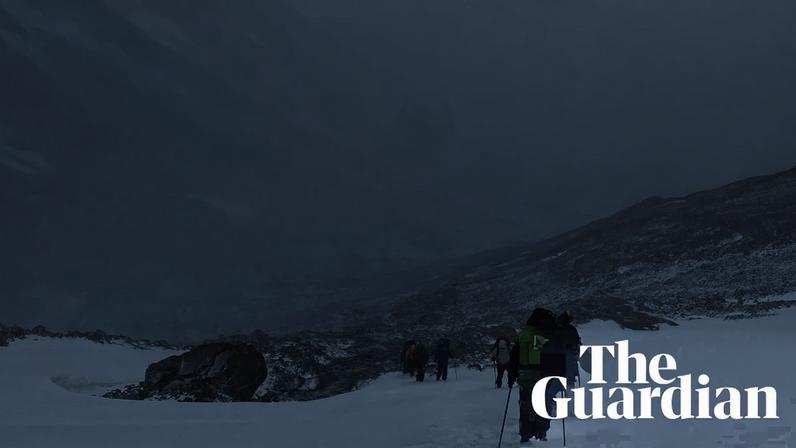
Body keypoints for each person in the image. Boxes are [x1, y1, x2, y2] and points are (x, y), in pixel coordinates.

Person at [508, 307, 556, 444]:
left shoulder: (523, 335)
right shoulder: (542, 336)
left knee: (525, 404)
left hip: (524, 376)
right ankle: (542, 433)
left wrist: (511, 377)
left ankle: (525, 434)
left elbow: (514, 357)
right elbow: (548, 357)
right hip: (541, 376)